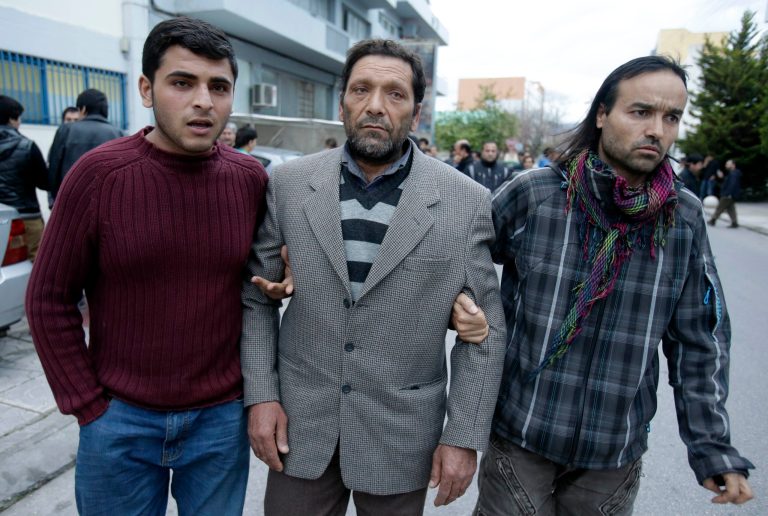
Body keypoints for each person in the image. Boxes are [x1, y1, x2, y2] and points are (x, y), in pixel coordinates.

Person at [474, 56, 754, 515]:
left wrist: (712, 446)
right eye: (641, 112)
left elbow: (700, 339)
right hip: (522, 439)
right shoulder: (536, 194)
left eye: (671, 117)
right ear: (602, 114)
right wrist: (465, 308)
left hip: (612, 458)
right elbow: (460, 262)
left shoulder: (682, 217)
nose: (657, 130)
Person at [241, 38, 506, 515]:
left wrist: (463, 435)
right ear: (342, 102)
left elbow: (484, 334)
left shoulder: (465, 201)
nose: (376, 106)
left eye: (395, 94)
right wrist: (261, 395)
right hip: (299, 426)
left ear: (416, 113)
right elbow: (257, 297)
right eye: (361, 89)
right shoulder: (289, 184)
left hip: (402, 435)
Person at [25, 16, 268, 515]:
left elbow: (261, 279)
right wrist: (87, 404)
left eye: (218, 87)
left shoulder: (250, 180)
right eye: (182, 82)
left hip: (220, 422)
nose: (203, 100)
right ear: (145, 88)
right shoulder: (98, 176)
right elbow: (48, 298)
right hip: (119, 422)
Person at [47, 89, 123, 205]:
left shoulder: (66, 130)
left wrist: (56, 200)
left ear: (83, 109)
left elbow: (53, 170)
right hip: (107, 203)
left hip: (72, 203)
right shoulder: (119, 134)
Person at [0, 95, 48, 260]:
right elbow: (45, 183)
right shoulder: (27, 146)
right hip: (27, 217)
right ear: (11, 119)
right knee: (35, 264)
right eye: (19, 118)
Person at [708, 159, 741, 228]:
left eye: (728, 164)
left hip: (728, 194)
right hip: (730, 194)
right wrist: (722, 177)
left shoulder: (733, 174)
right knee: (731, 208)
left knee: (720, 207)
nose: (726, 165)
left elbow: (732, 185)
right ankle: (734, 222)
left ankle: (713, 220)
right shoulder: (733, 173)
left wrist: (728, 194)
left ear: (733, 165)